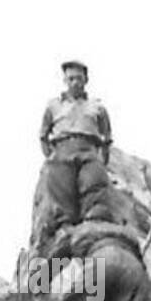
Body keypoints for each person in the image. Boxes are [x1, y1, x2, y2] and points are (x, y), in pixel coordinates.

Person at [36, 60, 115, 246]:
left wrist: (102, 159)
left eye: (79, 78)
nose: (75, 83)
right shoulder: (53, 106)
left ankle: (93, 224)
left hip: (88, 148)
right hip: (62, 149)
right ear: (65, 80)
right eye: (71, 78)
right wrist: (51, 157)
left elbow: (107, 137)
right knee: (60, 187)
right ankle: (64, 229)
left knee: (94, 183)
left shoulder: (97, 107)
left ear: (86, 80)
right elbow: (43, 135)